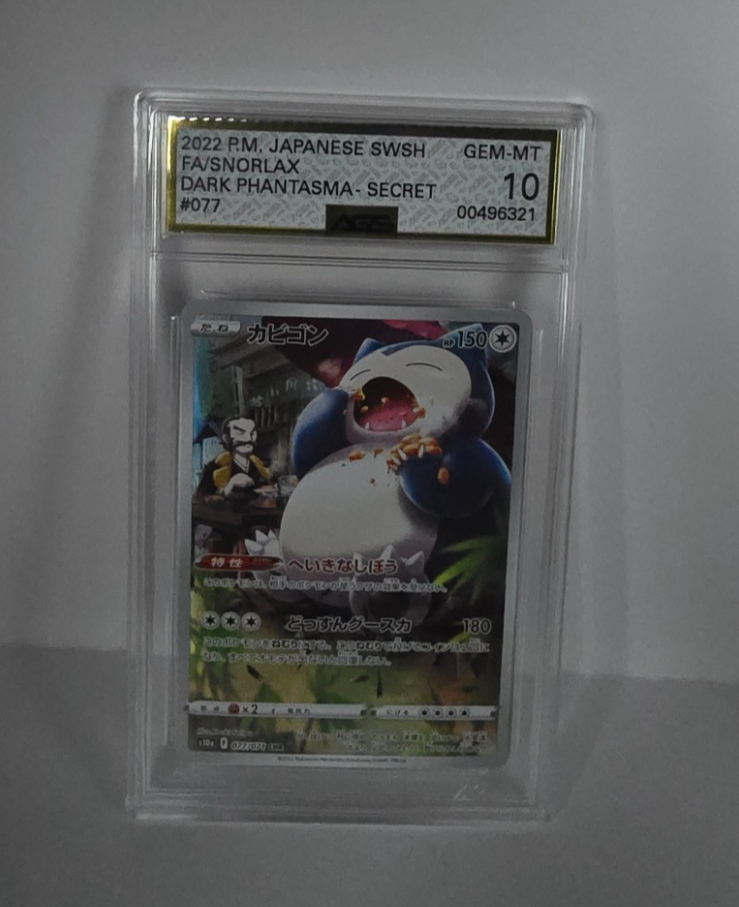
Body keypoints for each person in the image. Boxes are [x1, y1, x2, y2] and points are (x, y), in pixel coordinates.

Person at [197, 416, 271, 500]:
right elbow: (200, 500)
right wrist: (228, 488)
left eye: (252, 433)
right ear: (227, 438)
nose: (248, 438)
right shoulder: (213, 469)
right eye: (240, 432)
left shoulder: (260, 468)